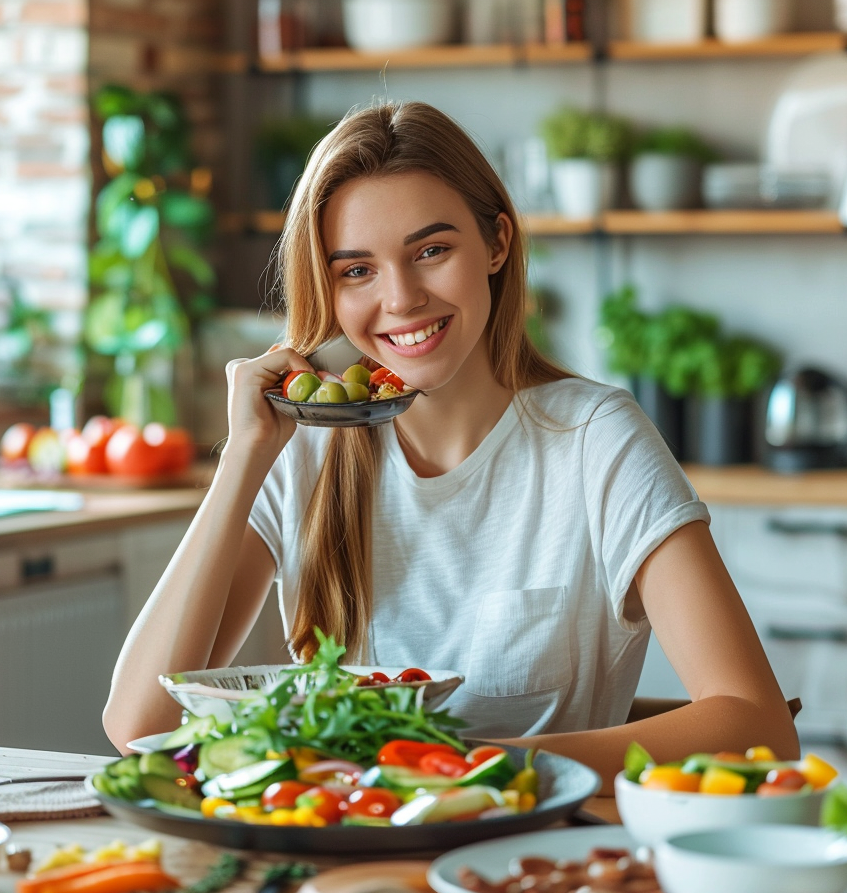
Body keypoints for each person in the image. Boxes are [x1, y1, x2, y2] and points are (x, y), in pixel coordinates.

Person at [102, 100, 799, 784]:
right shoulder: (302, 449)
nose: (401, 298)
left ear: (496, 243)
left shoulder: (596, 441)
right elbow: (139, 726)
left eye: (431, 250)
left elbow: (758, 725)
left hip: (535, 861)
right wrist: (244, 455)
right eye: (357, 270)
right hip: (336, 856)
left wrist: (467, 767)